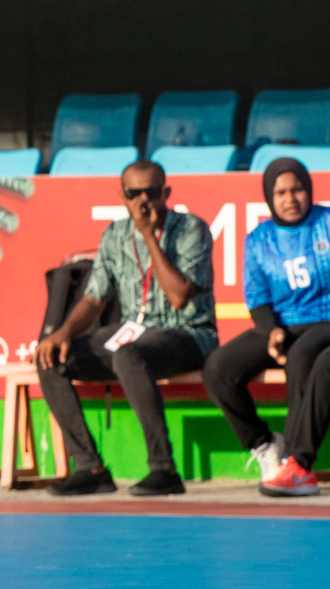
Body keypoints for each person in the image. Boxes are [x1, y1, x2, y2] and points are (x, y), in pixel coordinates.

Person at [35, 160, 217, 498]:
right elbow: (94, 298)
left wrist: (149, 236)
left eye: (152, 192)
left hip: (188, 334)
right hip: (134, 330)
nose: (144, 200)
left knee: (129, 357)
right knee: (50, 357)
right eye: (135, 193)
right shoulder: (115, 234)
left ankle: (164, 470)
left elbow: (179, 297)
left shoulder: (192, 229)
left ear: (167, 192)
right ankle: (90, 467)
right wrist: (62, 332)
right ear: (122, 196)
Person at [202, 158, 330, 497]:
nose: (291, 198)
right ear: (270, 197)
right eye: (281, 192)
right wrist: (270, 330)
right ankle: (265, 443)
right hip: (284, 324)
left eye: (297, 189)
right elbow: (256, 297)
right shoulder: (259, 239)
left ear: (308, 189)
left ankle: (298, 465)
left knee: (304, 354)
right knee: (218, 368)